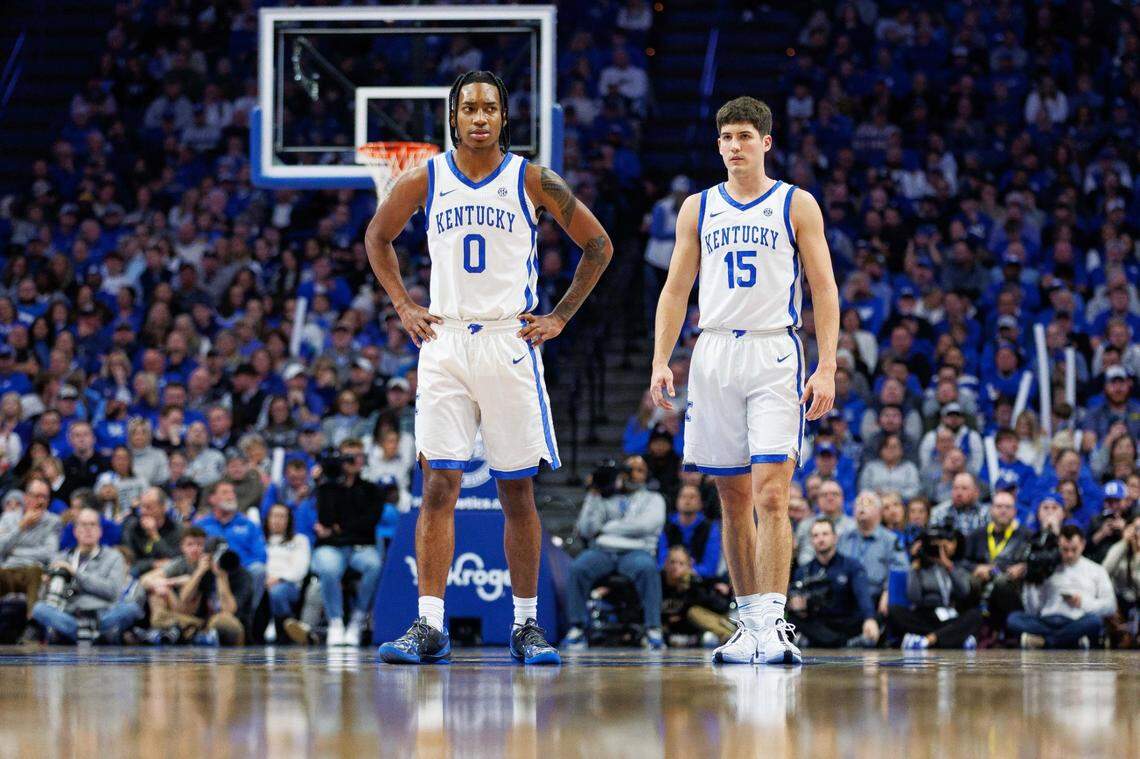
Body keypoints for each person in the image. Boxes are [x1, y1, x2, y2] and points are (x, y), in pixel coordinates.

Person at [368, 70, 612, 666]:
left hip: (509, 340)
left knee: (516, 492)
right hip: (445, 340)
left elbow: (599, 245)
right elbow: (378, 237)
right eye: (469, 108)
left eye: (490, 109)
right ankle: (429, 625)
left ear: (505, 117)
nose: (479, 117)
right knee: (437, 487)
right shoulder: (424, 177)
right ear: (453, 117)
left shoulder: (532, 179)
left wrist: (559, 317)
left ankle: (526, 625)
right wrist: (403, 304)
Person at [651, 96, 840, 665]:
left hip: (773, 351)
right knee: (732, 500)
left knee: (773, 493)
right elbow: (675, 290)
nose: (735, 146)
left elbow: (824, 288)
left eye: (744, 136)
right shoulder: (698, 209)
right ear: (718, 145)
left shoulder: (795, 204)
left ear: (766, 142)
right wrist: (663, 359)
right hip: (712, 353)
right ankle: (749, 620)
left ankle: (775, 622)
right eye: (726, 137)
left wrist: (826, 363)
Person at [564, 460, 667, 648]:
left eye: (639, 470)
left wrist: (606, 529)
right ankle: (577, 627)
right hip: (603, 552)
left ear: (646, 475)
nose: (633, 474)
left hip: (637, 550)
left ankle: (653, 628)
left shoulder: (654, 499)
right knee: (577, 568)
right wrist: (593, 494)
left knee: (647, 568)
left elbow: (645, 526)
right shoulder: (605, 496)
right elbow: (587, 529)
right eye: (629, 470)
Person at [28, 507, 142, 644]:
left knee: (131, 608)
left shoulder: (114, 557)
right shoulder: (61, 558)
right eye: (83, 524)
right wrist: (47, 584)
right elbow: (47, 598)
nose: (88, 529)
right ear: (75, 531)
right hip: (70, 616)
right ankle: (93, 636)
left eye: (92, 524)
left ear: (100, 531)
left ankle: (83, 635)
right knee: (39, 609)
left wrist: (75, 574)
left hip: (102, 615)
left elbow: (113, 592)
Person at [311, 438, 383, 647]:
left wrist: (337, 529)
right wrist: (321, 484)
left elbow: (370, 522)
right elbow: (325, 519)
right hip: (333, 548)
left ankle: (357, 619)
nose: (352, 461)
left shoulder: (371, 489)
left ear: (363, 459)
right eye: (347, 456)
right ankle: (335, 621)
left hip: (361, 548)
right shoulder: (328, 486)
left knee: (373, 564)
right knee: (329, 567)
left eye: (357, 456)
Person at [141, 526, 255, 646]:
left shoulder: (242, 575)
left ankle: (186, 630)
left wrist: (221, 577)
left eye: (199, 545)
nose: (195, 550)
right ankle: (189, 631)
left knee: (221, 621)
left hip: (234, 628)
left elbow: (229, 611)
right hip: (204, 624)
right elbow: (184, 600)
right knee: (159, 606)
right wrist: (199, 572)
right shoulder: (203, 571)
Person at [1007, 525, 1117, 649]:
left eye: (1074, 549)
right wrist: (1030, 582)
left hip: (1076, 620)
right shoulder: (1047, 567)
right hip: (1047, 620)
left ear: (1083, 544)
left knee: (1094, 622)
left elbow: (1110, 606)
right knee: (1013, 618)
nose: (1069, 554)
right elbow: (1033, 609)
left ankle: (1046, 641)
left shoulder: (1097, 570)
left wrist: (1082, 603)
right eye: (1065, 549)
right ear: (1058, 545)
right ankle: (1069, 641)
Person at [788, 519, 879, 648]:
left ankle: (815, 642)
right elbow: (795, 599)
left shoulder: (851, 566)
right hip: (819, 622)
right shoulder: (803, 571)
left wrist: (869, 618)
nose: (821, 539)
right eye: (816, 535)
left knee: (876, 613)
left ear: (835, 538)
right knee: (793, 620)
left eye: (825, 534)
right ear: (811, 541)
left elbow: (862, 594)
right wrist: (797, 606)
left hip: (846, 620)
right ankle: (845, 643)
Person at [887, 528, 984, 650]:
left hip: (951, 615)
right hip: (926, 615)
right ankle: (955, 639)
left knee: (975, 615)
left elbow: (964, 591)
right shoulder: (919, 568)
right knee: (895, 610)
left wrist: (948, 566)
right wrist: (914, 569)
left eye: (939, 547)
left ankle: (928, 640)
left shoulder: (955, 565)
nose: (935, 550)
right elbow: (914, 598)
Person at [195, 481, 267, 608]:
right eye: (225, 492)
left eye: (232, 492)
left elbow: (260, 555)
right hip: (211, 573)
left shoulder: (248, 525)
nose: (231, 496)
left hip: (242, 573)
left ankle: (245, 613)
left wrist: (235, 568)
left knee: (259, 569)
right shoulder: (201, 525)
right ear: (212, 499)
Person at [0, 478, 62, 617]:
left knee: (35, 571)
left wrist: (15, 552)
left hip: (32, 571)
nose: (40, 501)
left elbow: (49, 552)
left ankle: (32, 625)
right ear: (26, 497)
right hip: (6, 570)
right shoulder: (8, 518)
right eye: (36, 496)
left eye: (44, 497)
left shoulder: (53, 521)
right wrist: (21, 526)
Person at [660, 545, 734, 646]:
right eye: (672, 562)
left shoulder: (697, 583)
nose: (675, 567)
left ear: (689, 566)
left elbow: (720, 607)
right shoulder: (657, 583)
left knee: (693, 612)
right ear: (665, 563)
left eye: (681, 564)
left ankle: (732, 636)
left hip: (708, 626)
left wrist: (692, 586)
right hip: (675, 634)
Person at [836, 490, 900, 603]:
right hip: (844, 597)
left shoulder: (890, 539)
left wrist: (888, 591)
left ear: (879, 511)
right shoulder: (843, 538)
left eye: (868, 503)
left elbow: (899, 568)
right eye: (858, 503)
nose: (861, 507)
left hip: (876, 596)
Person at [263, 503, 311, 642]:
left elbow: (300, 569)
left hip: (289, 585)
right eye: (274, 516)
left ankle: (284, 628)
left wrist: (278, 578)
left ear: (289, 520)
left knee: (277, 592)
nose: (277, 520)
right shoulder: (260, 539)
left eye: (282, 516)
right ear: (268, 519)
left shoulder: (300, 540)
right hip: (264, 582)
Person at [657, 484, 722, 579]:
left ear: (701, 503)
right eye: (683, 496)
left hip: (699, 581)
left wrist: (685, 571)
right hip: (669, 579)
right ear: (677, 502)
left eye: (692, 497)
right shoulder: (666, 525)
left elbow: (710, 568)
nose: (687, 500)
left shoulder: (711, 528)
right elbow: (661, 562)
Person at [119, 487, 181, 577]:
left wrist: (154, 535)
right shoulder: (131, 527)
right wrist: (153, 563)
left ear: (163, 508)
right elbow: (128, 561)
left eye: (149, 507)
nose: (143, 512)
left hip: (167, 576)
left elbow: (175, 560)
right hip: (138, 576)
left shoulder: (176, 528)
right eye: (141, 506)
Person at [794, 480, 855, 567]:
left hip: (846, 575)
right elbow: (798, 554)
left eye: (835, 494)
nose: (830, 498)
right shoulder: (805, 525)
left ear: (842, 498)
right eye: (824, 495)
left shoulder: (853, 526)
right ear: (818, 500)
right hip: (809, 575)